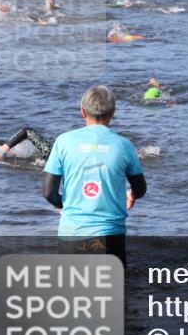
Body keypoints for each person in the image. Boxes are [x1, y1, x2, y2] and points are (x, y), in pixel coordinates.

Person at [42, 85, 146, 265]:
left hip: (72, 234)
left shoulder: (63, 141)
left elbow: (49, 193)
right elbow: (141, 188)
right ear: (113, 112)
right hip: (110, 235)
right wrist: (132, 194)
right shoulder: (124, 145)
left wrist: (64, 204)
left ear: (83, 111)